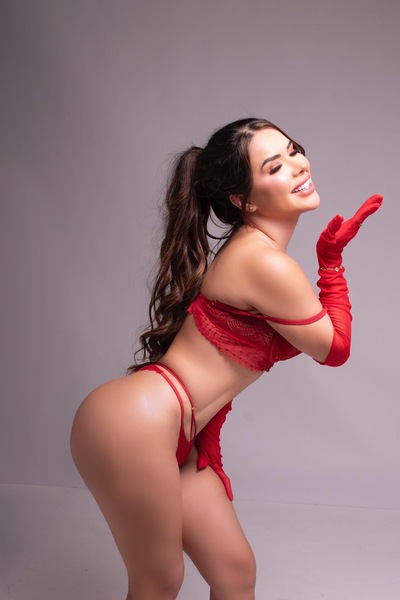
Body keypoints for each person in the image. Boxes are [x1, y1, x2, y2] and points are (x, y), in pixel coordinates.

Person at [70, 118, 382, 600]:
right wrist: (331, 263)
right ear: (243, 199)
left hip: (178, 428)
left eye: (293, 150)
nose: (298, 165)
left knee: (235, 573)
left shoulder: (254, 252)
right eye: (274, 166)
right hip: (137, 422)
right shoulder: (264, 262)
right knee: (160, 580)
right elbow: (334, 349)